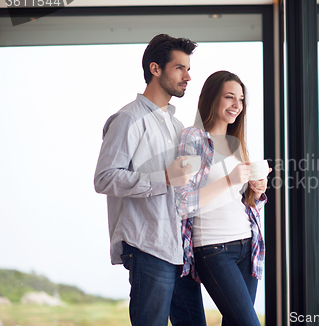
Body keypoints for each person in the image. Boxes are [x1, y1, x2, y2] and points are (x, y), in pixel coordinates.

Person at [94, 34, 207, 326]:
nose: (188, 77)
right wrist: (165, 178)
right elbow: (105, 178)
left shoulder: (177, 125)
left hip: (179, 249)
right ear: (155, 69)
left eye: (189, 69)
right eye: (180, 68)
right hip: (148, 247)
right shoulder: (127, 120)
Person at [175, 71, 269, 326]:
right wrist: (230, 179)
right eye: (230, 97)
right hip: (213, 248)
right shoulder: (193, 138)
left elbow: (239, 201)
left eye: (240, 99)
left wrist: (257, 191)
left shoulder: (236, 143)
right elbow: (183, 202)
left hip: (247, 244)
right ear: (211, 98)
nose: (237, 105)